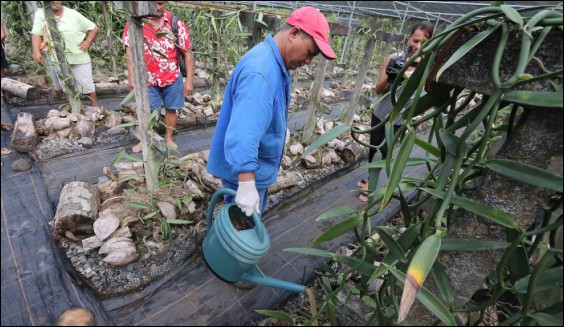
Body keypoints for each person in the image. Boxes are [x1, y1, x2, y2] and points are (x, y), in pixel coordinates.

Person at [207, 6, 336, 217]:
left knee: (242, 228)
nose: (308, 61)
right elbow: (243, 133)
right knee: (241, 232)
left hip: (253, 168)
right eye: (310, 52)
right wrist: (247, 184)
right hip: (248, 172)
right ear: (294, 33)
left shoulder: (273, 63)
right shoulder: (261, 71)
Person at [357, 21, 434, 201]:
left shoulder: (426, 67)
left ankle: (371, 184)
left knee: (384, 149)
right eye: (415, 41)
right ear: (408, 38)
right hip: (381, 111)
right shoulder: (393, 58)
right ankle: (370, 177)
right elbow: (377, 89)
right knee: (374, 147)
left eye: (424, 43)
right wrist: (392, 77)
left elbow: (427, 93)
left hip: (400, 116)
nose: (417, 46)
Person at [121, 1, 195, 153]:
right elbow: (129, 52)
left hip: (172, 76)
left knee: (171, 109)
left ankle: (168, 138)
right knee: (147, 110)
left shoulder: (176, 24)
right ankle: (146, 140)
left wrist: (189, 81)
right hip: (147, 79)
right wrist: (132, 77)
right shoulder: (136, 22)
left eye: (161, 3)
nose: (158, 7)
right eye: (154, 3)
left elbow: (188, 54)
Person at [31, 1, 100, 108]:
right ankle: (75, 107)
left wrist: (87, 42)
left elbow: (94, 28)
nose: (54, 1)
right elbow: (36, 34)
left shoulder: (73, 14)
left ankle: (95, 106)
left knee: (86, 83)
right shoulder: (41, 14)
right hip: (58, 57)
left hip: (78, 55)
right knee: (66, 85)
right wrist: (36, 52)